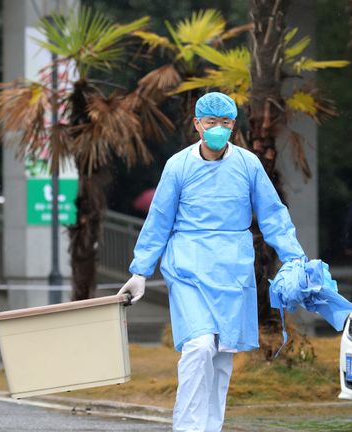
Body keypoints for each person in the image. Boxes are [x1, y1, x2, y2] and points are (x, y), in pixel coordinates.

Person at [118, 92, 309, 432]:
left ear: (233, 126)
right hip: (188, 267)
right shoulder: (178, 166)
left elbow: (272, 215)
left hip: (233, 270)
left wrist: (294, 257)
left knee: (222, 355)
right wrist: (140, 271)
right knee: (199, 345)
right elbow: (159, 219)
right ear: (197, 125)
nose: (218, 129)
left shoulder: (248, 165)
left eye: (225, 123)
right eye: (211, 122)